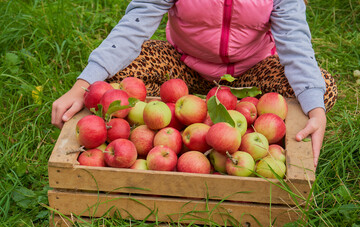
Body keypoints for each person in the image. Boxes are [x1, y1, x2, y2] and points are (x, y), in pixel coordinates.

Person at [51, 0, 337, 168]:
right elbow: (133, 26)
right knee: (116, 80)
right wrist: (84, 85)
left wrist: (315, 108)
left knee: (320, 88)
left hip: (252, 72)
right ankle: (154, 118)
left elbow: (295, 44)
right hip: (184, 65)